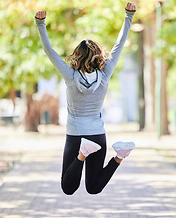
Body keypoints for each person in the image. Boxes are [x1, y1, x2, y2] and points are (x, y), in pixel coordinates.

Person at [35, 2, 136, 195]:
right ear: (98, 56)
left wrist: (40, 23)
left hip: (75, 134)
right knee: (94, 188)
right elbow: (118, 46)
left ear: (77, 56)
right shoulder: (105, 74)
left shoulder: (71, 76)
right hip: (97, 133)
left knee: (68, 187)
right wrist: (128, 16)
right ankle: (120, 156)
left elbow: (49, 51)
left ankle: (82, 155)